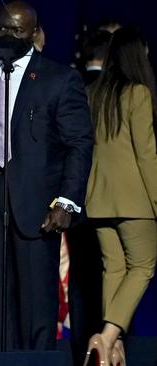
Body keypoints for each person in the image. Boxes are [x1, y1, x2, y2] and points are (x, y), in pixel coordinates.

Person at [0, 1, 93, 351]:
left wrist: (67, 201)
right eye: (2, 28)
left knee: (36, 303)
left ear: (34, 34)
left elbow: (79, 144)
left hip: (37, 206)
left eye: (17, 30)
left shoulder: (60, 79)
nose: (7, 35)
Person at [83, 27, 157, 366]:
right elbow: (147, 154)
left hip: (99, 200)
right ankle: (107, 337)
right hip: (135, 201)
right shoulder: (138, 93)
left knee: (114, 269)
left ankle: (113, 352)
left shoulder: (95, 93)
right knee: (142, 267)